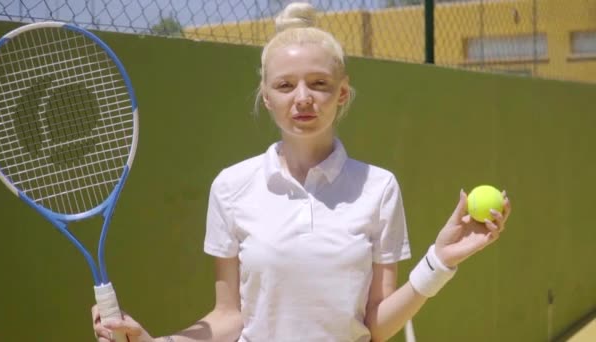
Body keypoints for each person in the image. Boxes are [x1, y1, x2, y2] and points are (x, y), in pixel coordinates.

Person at [92, 2, 511, 342]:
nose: (303, 98)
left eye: (319, 83)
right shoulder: (232, 187)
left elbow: (375, 324)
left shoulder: (379, 188)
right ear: (266, 95)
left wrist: (440, 261)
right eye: (285, 85)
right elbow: (229, 317)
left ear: (342, 93)